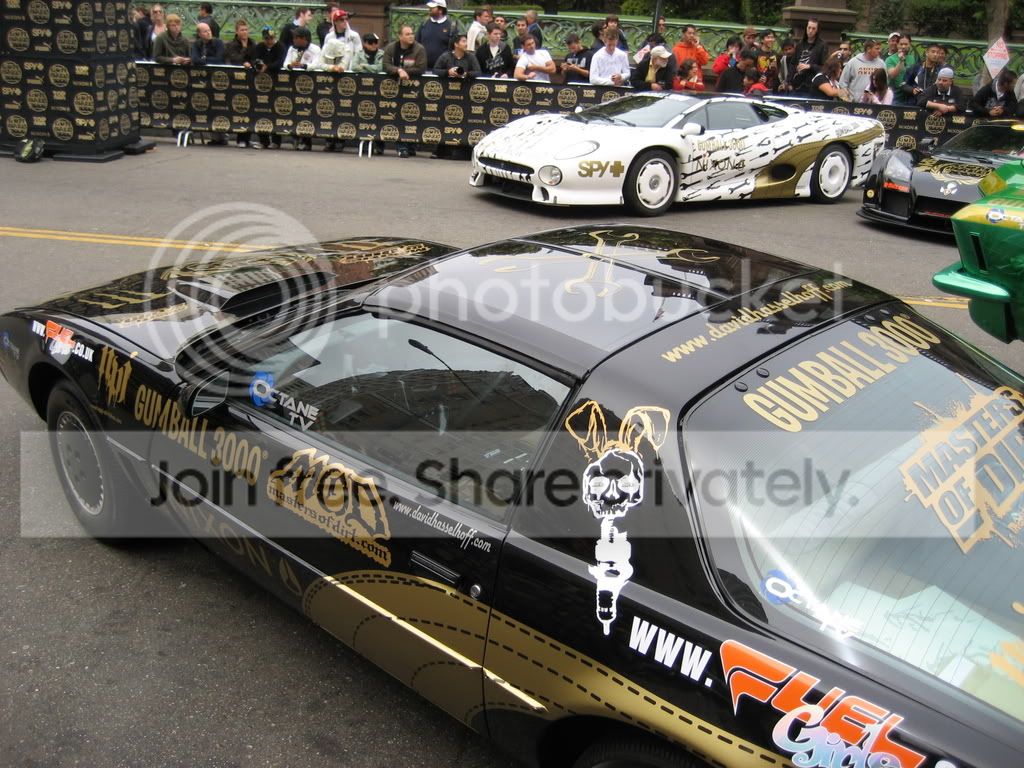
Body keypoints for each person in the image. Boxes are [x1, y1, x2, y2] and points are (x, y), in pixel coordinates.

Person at [383, 25, 426, 157]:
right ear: (400, 36)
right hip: (395, 88)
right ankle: (401, 147)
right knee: (397, 117)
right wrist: (398, 70)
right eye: (407, 34)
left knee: (412, 117)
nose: (411, 36)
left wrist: (405, 71)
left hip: (413, 88)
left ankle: (412, 145)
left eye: (412, 33)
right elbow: (385, 65)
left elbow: (421, 68)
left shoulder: (419, 49)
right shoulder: (391, 48)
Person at [253, 26, 284, 149]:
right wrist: (258, 65)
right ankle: (263, 140)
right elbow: (255, 59)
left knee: (276, 111)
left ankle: (276, 141)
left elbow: (280, 62)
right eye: (267, 38)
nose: (269, 41)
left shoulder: (280, 46)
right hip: (262, 83)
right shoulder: (260, 47)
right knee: (261, 111)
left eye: (271, 38)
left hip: (276, 83)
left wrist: (268, 66)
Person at [417, 0, 458, 69]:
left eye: (432, 8)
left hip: (443, 69)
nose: (429, 9)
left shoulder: (451, 27)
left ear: (440, 10)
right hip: (423, 67)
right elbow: (417, 42)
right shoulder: (424, 24)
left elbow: (455, 49)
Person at [793, 17, 827, 92]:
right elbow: (793, 63)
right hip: (797, 83)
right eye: (809, 28)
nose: (810, 31)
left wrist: (810, 66)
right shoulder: (800, 44)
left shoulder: (822, 45)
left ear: (817, 30)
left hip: (812, 84)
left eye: (813, 29)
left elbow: (825, 67)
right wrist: (788, 81)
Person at [885, 34, 917, 104]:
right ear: (897, 45)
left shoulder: (912, 58)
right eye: (901, 44)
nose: (903, 47)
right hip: (895, 95)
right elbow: (892, 75)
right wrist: (901, 61)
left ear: (910, 44)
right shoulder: (890, 59)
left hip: (909, 94)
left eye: (906, 44)